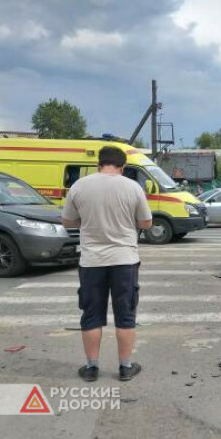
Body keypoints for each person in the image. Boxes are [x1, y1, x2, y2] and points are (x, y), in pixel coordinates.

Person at [61, 146, 152, 382]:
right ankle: (125, 367)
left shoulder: (79, 186)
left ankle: (91, 368)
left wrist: (87, 220)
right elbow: (146, 222)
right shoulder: (132, 187)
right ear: (122, 166)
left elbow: (68, 222)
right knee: (126, 315)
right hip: (124, 260)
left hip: (91, 261)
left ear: (99, 164)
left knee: (91, 315)